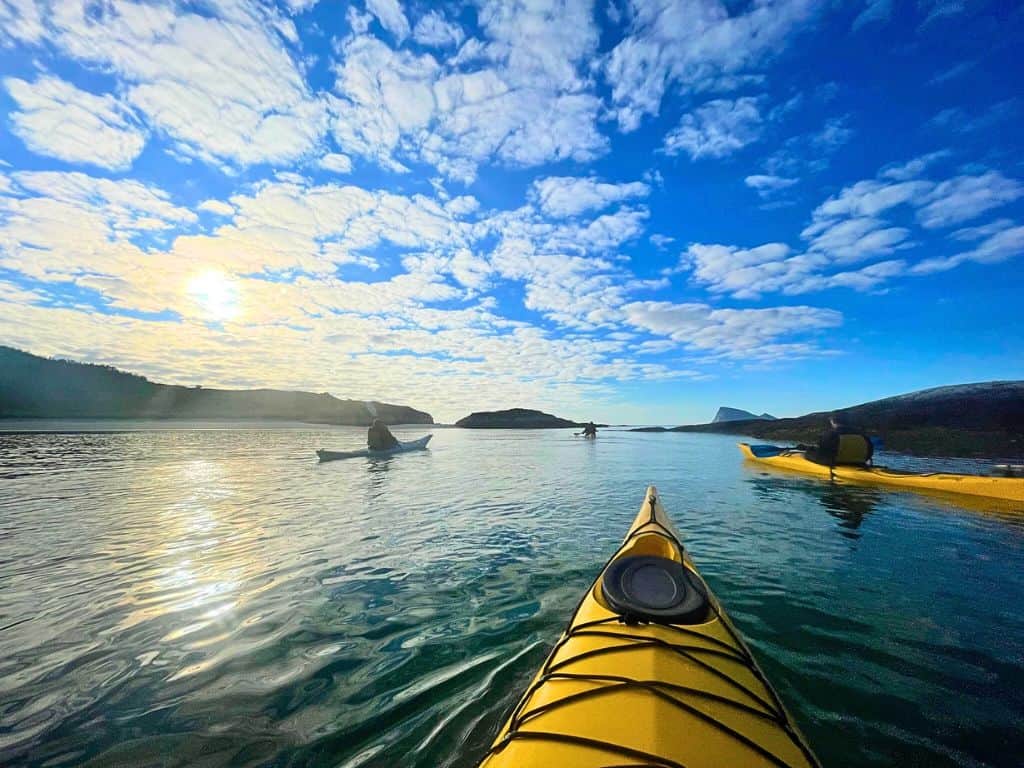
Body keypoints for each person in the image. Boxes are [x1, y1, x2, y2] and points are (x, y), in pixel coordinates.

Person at [804, 415, 873, 467]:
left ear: (833, 422)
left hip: (836, 462)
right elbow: (870, 452)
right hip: (859, 463)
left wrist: (809, 449)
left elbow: (822, 451)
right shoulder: (863, 435)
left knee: (808, 453)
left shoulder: (831, 434)